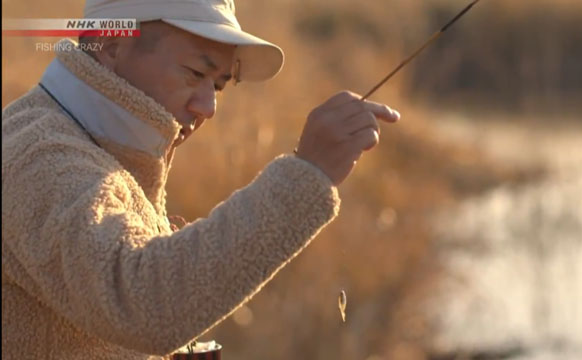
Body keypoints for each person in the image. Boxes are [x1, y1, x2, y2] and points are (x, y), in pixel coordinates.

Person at [1, 0, 400, 358]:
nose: (209, 106)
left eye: (219, 86)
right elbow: (145, 305)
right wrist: (307, 174)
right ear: (110, 47)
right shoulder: (37, 154)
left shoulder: (101, 148)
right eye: (195, 73)